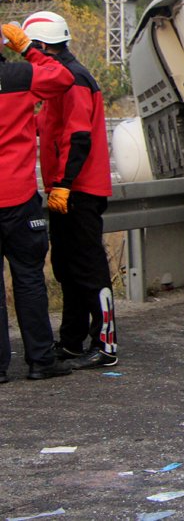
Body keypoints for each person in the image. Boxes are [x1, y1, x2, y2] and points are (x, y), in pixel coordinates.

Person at [26, 12, 118, 370]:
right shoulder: (58, 82)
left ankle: (105, 344)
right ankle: (72, 341)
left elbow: (78, 136)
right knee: (67, 268)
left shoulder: (74, 80)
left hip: (78, 190)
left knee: (89, 269)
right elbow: (44, 127)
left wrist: (64, 184)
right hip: (64, 190)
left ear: (42, 47)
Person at [0, 22, 76, 382]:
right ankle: (41, 362)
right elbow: (62, 77)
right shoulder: (20, 75)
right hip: (17, 196)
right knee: (29, 279)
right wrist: (29, 47)